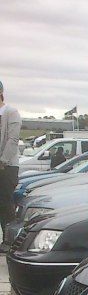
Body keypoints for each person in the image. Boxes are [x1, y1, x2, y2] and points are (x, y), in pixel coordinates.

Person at [0, 80, 21, 245]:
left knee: (5, 202)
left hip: (7, 166)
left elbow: (13, 140)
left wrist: (3, 160)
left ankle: (10, 241)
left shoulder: (11, 112)